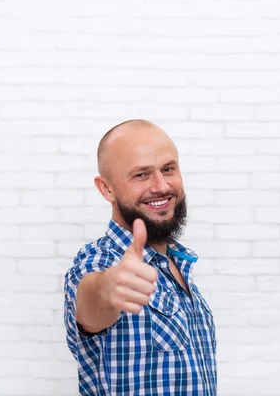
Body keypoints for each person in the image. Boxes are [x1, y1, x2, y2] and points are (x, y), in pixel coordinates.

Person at [63, 119, 217, 395]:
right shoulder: (100, 262)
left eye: (168, 169)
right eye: (141, 175)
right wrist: (108, 287)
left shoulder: (178, 265)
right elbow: (90, 304)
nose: (161, 186)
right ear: (106, 189)